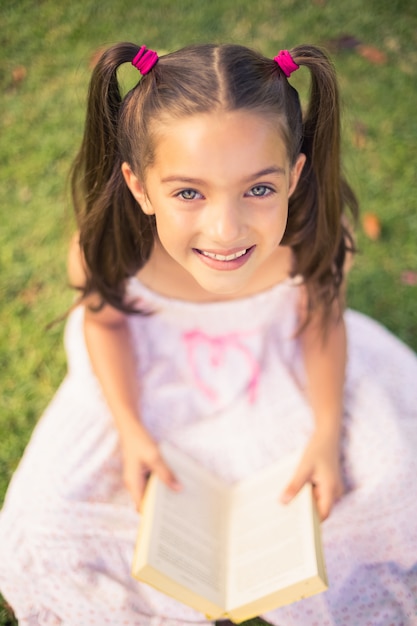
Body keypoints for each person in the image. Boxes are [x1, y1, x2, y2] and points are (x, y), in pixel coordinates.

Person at [0, 41, 416, 626]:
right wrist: (130, 429)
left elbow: (322, 323)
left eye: (259, 189)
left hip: (283, 369)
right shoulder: (109, 253)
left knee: (395, 491)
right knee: (53, 518)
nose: (226, 230)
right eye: (189, 192)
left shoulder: (316, 245)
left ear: (295, 177)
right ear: (141, 187)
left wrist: (325, 431)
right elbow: (107, 323)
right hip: (153, 377)